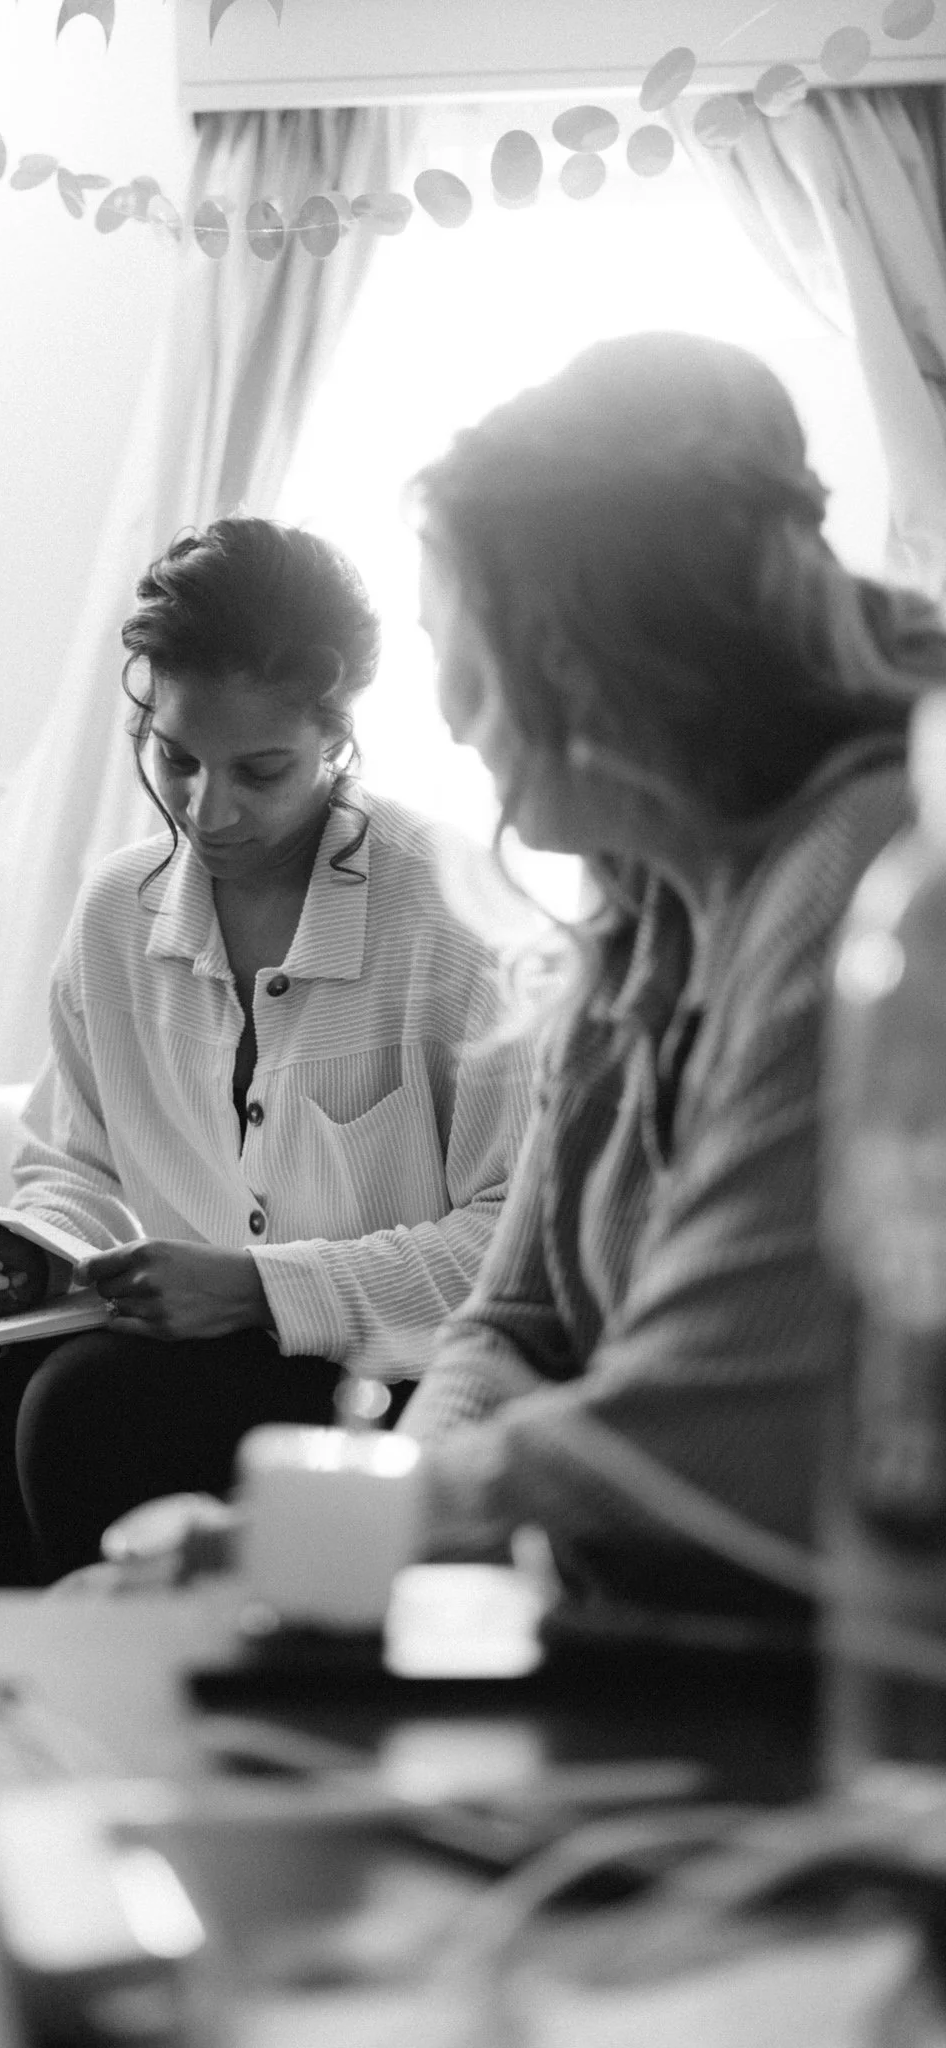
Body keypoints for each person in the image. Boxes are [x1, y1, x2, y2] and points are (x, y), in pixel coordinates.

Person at [0, 515, 535, 1654]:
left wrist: (256, 1289)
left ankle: (155, 1731)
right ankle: (3, 1741)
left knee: (90, 1407)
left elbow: (509, 1250)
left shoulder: (448, 910)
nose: (208, 811)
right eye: (177, 758)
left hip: (395, 1370)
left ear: (338, 736)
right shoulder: (117, 911)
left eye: (261, 771)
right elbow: (76, 1168)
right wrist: (27, 1255)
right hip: (176, 1350)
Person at [399, 330, 946, 1616]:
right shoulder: (644, 903)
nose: (451, 712)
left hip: (860, 1671)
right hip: (663, 1629)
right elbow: (510, 1322)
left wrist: (370, 1517)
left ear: (586, 650)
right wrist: (397, 1498)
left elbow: (714, 1428)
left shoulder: (864, 873)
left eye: (464, 649)